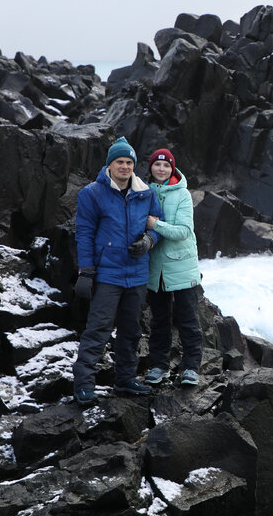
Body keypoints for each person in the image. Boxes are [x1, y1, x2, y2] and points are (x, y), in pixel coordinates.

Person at [71, 137, 163, 404]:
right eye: (120, 162)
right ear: (110, 165)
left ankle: (125, 380)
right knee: (98, 328)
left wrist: (148, 241)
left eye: (129, 162)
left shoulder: (146, 193)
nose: (125, 166)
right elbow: (84, 234)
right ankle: (84, 384)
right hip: (107, 273)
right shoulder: (92, 193)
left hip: (136, 273)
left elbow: (158, 224)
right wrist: (86, 271)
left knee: (131, 329)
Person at [142, 147, 205, 386]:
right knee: (159, 321)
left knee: (188, 319)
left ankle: (191, 367)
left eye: (166, 165)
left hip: (182, 266)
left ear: (172, 169)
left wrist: (155, 225)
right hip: (155, 268)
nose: (161, 169)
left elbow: (183, 231)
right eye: (157, 165)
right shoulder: (144, 191)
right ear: (151, 168)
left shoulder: (183, 194)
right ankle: (160, 366)